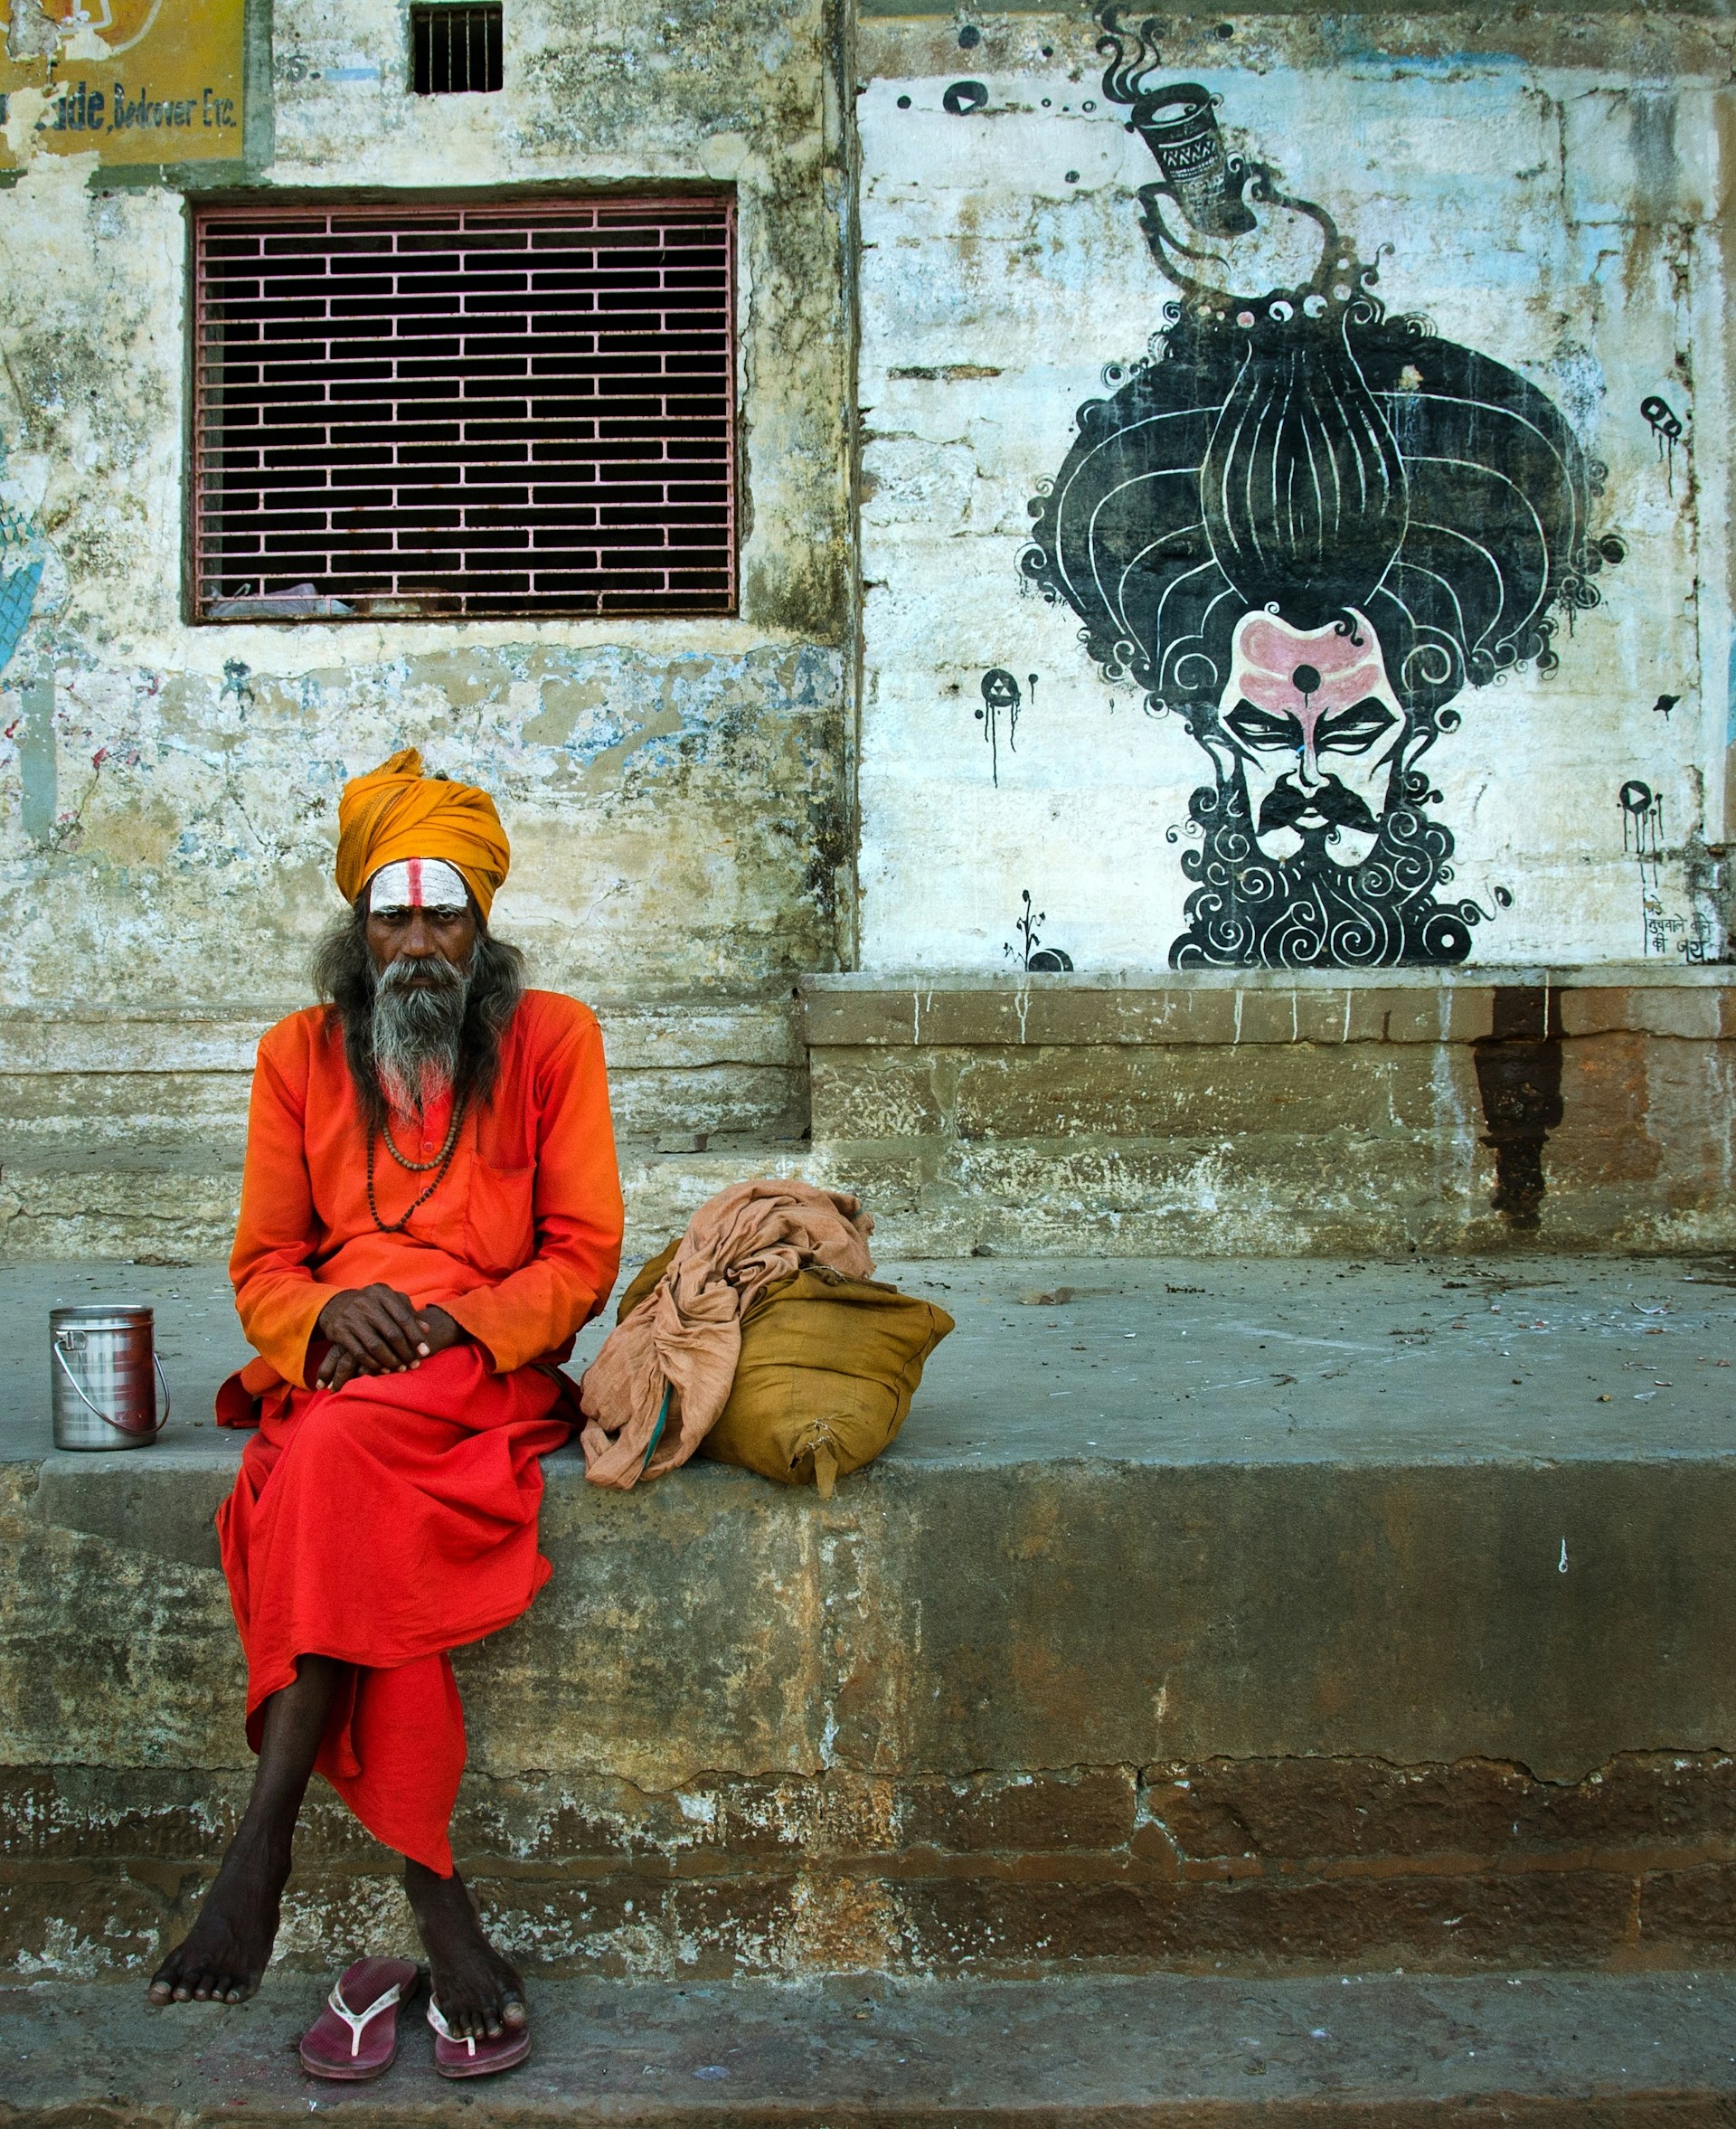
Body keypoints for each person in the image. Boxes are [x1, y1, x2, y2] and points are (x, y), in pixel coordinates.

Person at [146, 750, 624, 2072]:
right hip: (344, 1370)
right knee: (343, 1478)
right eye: (393, 916)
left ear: (485, 930)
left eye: (445, 916)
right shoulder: (297, 1056)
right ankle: (437, 1901)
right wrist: (316, 1318)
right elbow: (261, 1266)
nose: (418, 943)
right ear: (359, 929)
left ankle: (263, 1841)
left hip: (481, 1369)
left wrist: (462, 1318)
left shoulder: (552, 1039)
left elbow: (582, 1253)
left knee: (327, 1471)